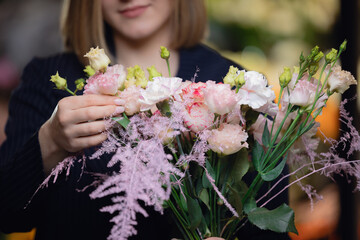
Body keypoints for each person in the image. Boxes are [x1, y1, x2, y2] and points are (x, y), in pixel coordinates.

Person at [0, 0, 289, 239]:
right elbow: (7, 214)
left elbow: (270, 222)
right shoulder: (48, 81)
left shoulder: (237, 90)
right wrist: (50, 141)